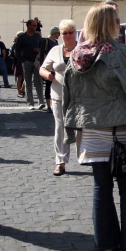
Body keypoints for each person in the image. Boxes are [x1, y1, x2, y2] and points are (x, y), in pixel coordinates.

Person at [63, 4, 126, 251]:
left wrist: (70, 131)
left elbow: (69, 96)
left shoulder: (76, 55)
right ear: (109, 23)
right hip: (120, 129)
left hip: (90, 130)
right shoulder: (122, 53)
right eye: (117, 20)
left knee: (101, 186)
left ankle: (104, 243)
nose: (119, 25)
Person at [39, 20, 77, 176]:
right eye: (64, 33)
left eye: (70, 32)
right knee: (60, 128)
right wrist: (47, 74)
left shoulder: (83, 49)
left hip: (79, 97)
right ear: (60, 34)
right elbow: (42, 68)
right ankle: (60, 161)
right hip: (58, 95)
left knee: (82, 129)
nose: (67, 36)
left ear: (75, 33)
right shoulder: (55, 50)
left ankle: (87, 158)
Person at [17, 20, 44, 109]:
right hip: (27, 61)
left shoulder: (37, 35)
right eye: (34, 25)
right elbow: (16, 50)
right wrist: (22, 60)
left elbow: (42, 46)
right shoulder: (22, 37)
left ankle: (41, 102)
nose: (35, 27)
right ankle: (30, 103)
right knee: (28, 82)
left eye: (36, 25)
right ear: (28, 26)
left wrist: (39, 50)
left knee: (38, 81)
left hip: (36, 61)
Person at [39, 26, 60, 113]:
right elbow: (41, 54)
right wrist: (42, 67)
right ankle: (48, 105)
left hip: (55, 66)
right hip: (48, 66)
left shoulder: (56, 42)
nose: (59, 35)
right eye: (59, 33)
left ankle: (55, 103)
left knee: (55, 84)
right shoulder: (46, 41)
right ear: (55, 33)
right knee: (48, 86)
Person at [11, 31, 25, 98]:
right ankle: (19, 92)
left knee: (26, 77)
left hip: (24, 61)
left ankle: (22, 90)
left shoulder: (24, 43)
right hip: (19, 61)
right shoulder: (16, 44)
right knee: (20, 77)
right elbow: (13, 54)